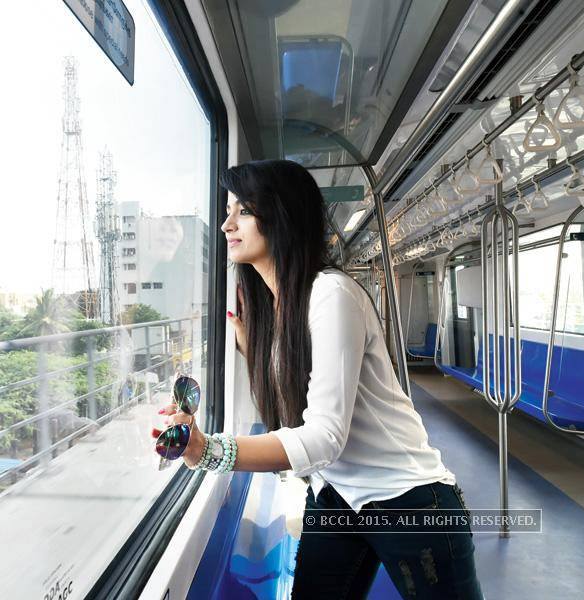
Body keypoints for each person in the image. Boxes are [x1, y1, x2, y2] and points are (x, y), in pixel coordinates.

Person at [154, 159, 484, 599]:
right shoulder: (278, 311)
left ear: (281, 215)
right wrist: (252, 345)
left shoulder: (332, 294)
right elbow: (296, 398)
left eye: (243, 210)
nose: (226, 223)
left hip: (407, 499)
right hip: (338, 495)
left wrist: (207, 450)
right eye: (229, 210)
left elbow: (325, 436)